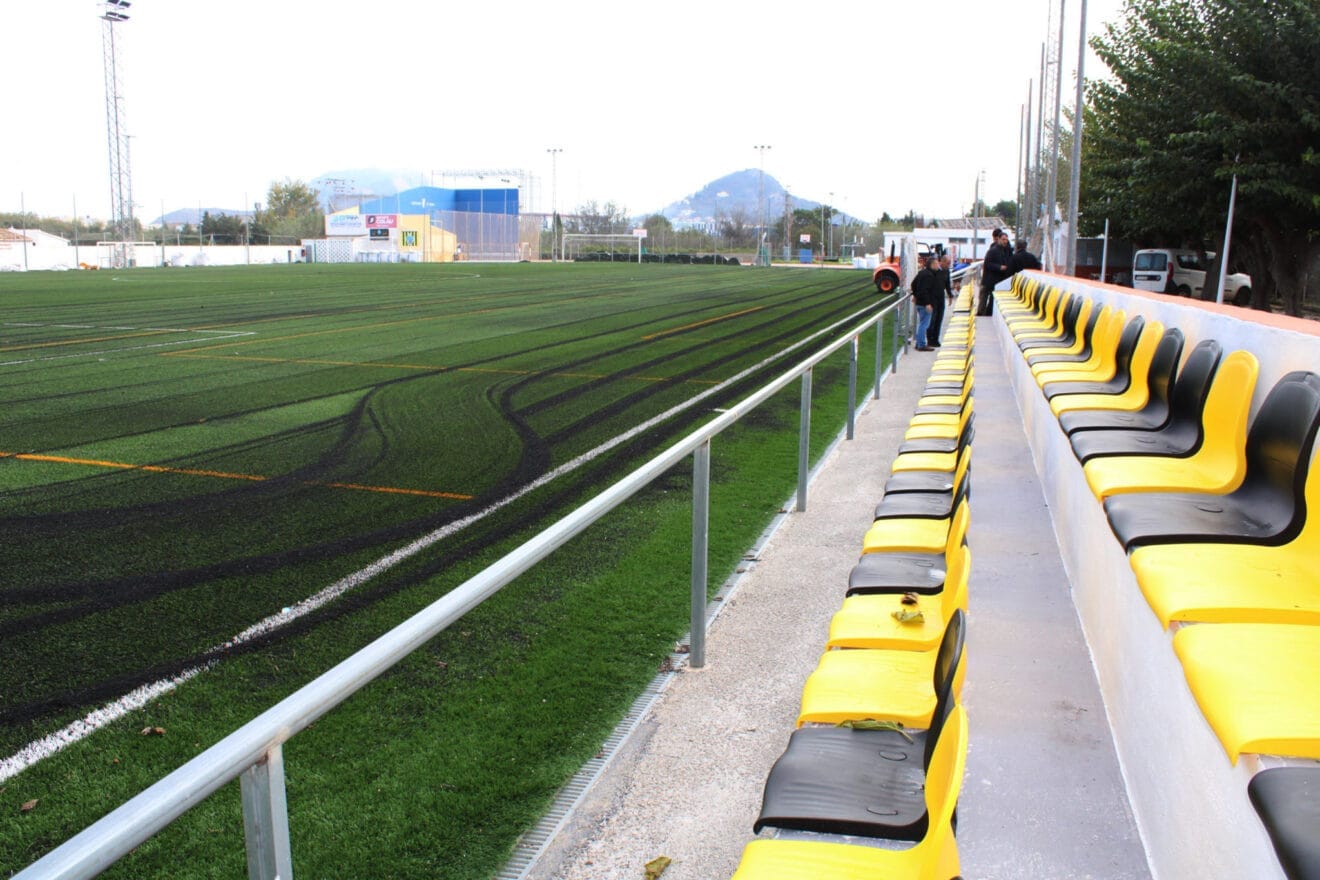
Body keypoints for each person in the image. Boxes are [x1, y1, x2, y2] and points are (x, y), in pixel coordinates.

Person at [978, 228, 1013, 316]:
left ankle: (988, 312)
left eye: (1006, 240)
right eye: (1003, 239)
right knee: (984, 296)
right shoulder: (993, 250)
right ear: (999, 239)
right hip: (989, 278)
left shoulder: (1007, 250)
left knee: (991, 298)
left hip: (998, 279)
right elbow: (988, 264)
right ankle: (981, 312)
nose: (1005, 241)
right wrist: (999, 267)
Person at [911, 254, 938, 350]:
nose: (937, 266)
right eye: (936, 264)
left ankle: (919, 343)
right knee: (924, 324)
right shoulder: (929, 275)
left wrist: (915, 294)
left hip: (919, 302)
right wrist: (927, 303)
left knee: (922, 323)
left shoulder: (922, 273)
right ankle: (921, 345)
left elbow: (913, 284)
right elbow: (925, 290)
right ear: (932, 265)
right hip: (925, 304)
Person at [928, 253, 955, 347]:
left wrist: (950, 295)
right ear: (942, 262)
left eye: (949, 263)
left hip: (940, 297)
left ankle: (936, 338)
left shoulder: (946, 271)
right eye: (947, 263)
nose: (948, 265)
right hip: (932, 297)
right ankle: (930, 339)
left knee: (939, 319)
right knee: (933, 319)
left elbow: (947, 283)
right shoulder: (935, 271)